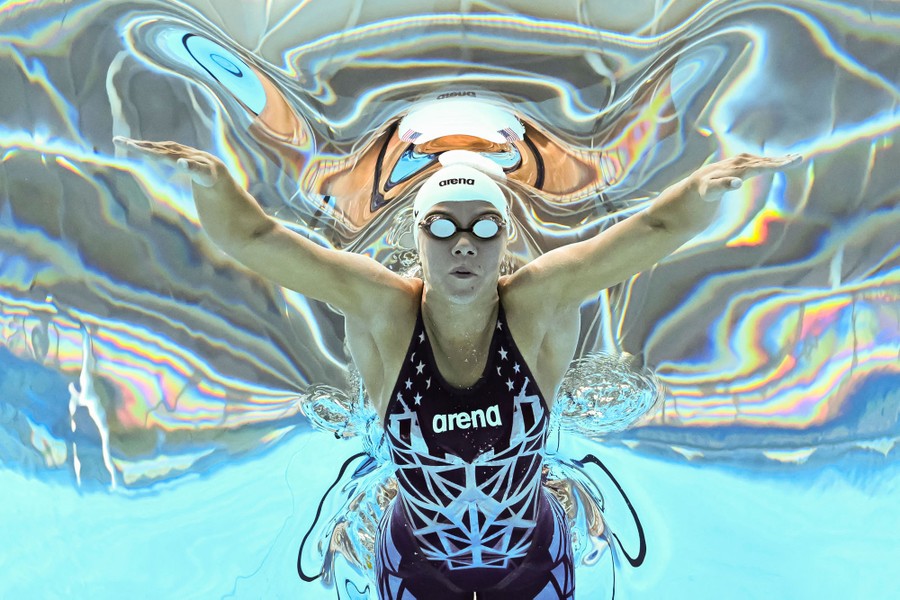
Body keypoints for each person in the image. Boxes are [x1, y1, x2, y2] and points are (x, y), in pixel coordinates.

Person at [114, 135, 800, 599]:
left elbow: (645, 236)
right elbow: (257, 239)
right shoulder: (384, 312)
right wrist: (210, 180)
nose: (463, 243)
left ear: (505, 237)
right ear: (417, 235)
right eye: (442, 225)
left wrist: (706, 188)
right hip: (412, 562)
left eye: (482, 227)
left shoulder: (535, 305)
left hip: (536, 558)